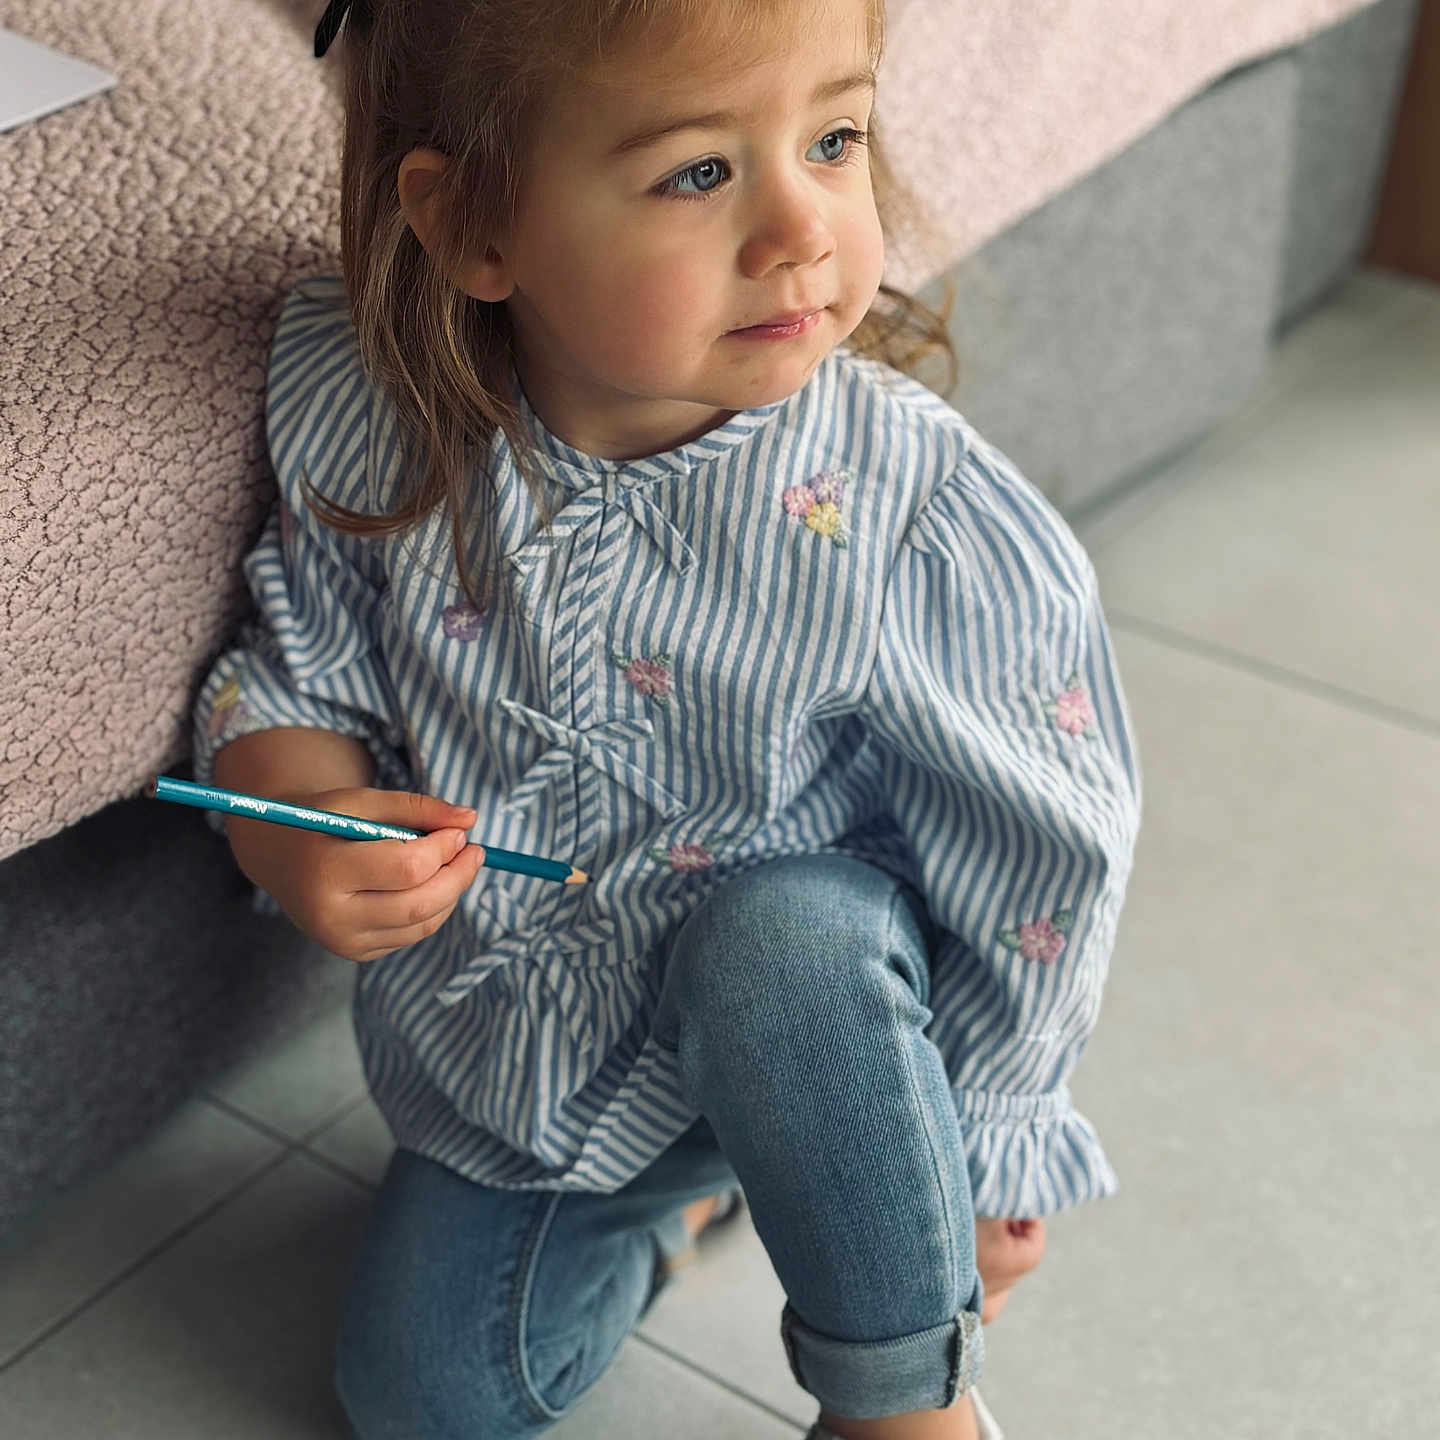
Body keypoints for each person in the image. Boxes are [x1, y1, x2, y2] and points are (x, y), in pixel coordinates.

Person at [194, 0, 1142, 1435]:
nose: (802, 229)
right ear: (474, 229)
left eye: (834, 139)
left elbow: (1042, 850)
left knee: (786, 935)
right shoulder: (369, 409)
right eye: (700, 173)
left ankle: (903, 1408)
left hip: (822, 1028)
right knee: (416, 1400)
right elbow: (295, 673)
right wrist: (308, 826)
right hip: (535, 1063)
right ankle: (695, 1196)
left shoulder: (909, 511)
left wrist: (995, 1140)